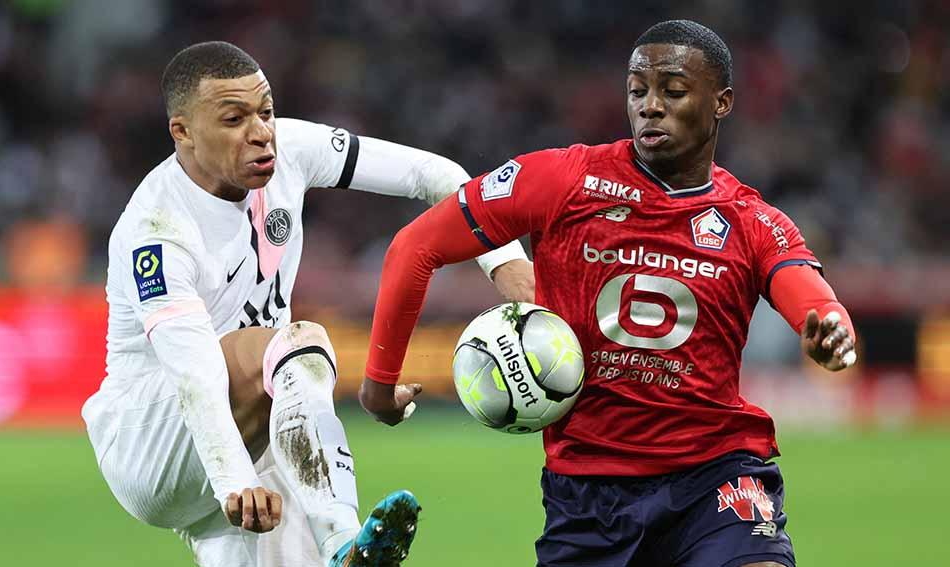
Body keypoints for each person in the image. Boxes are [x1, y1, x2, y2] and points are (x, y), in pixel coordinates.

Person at [359, 20, 858, 567]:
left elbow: (814, 299)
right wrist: (378, 385)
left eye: (672, 90)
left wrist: (830, 329)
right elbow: (414, 247)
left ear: (722, 102)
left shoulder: (750, 221)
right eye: (638, 90)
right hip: (587, 497)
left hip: (715, 476)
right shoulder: (563, 181)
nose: (650, 106)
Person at [81, 41, 534, 567]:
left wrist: (504, 262)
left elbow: (432, 175)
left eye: (265, 112)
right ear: (182, 132)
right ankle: (343, 537)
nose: (260, 132)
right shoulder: (156, 231)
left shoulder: (291, 148)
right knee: (299, 341)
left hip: (252, 427)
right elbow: (194, 374)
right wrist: (234, 480)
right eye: (233, 119)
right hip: (151, 439)